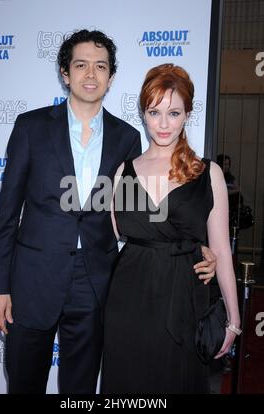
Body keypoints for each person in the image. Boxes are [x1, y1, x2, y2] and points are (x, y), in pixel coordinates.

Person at [0, 31, 216, 394]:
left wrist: (194, 247)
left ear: (110, 77)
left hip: (96, 285)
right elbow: (6, 214)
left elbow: (141, 214)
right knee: (24, 384)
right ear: (65, 72)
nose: (90, 74)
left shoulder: (127, 138)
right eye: (81, 65)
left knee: (80, 390)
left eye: (100, 66)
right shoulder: (31, 127)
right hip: (33, 281)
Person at [102, 64, 241, 394]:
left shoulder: (209, 174)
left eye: (174, 112)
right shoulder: (123, 171)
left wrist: (233, 320)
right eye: (154, 112)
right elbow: (114, 235)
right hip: (128, 302)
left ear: (187, 113)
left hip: (184, 301)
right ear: (144, 113)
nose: (163, 124)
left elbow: (221, 251)